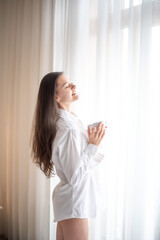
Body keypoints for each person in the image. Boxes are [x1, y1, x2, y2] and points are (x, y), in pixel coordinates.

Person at [31, 72, 107, 240]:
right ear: (56, 97)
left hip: (73, 200)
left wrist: (93, 143)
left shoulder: (70, 122)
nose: (73, 86)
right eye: (67, 85)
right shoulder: (68, 129)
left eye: (71, 82)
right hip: (75, 202)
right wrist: (92, 146)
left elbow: (82, 166)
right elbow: (75, 176)